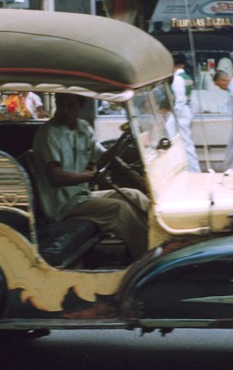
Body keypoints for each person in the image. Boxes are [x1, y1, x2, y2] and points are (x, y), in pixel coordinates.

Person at [31, 93, 149, 259]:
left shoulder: (83, 128)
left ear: (81, 106)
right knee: (120, 209)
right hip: (62, 204)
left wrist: (123, 140)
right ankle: (145, 257)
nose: (64, 110)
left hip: (81, 196)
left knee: (134, 195)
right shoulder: (48, 133)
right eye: (61, 104)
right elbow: (56, 177)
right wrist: (89, 176)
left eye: (70, 105)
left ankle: (159, 240)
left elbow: (102, 157)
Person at [171, 54, 201, 172]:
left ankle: (193, 170)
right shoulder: (187, 77)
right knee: (185, 142)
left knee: (184, 143)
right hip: (186, 111)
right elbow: (190, 100)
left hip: (180, 113)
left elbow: (180, 100)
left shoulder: (177, 79)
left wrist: (175, 115)